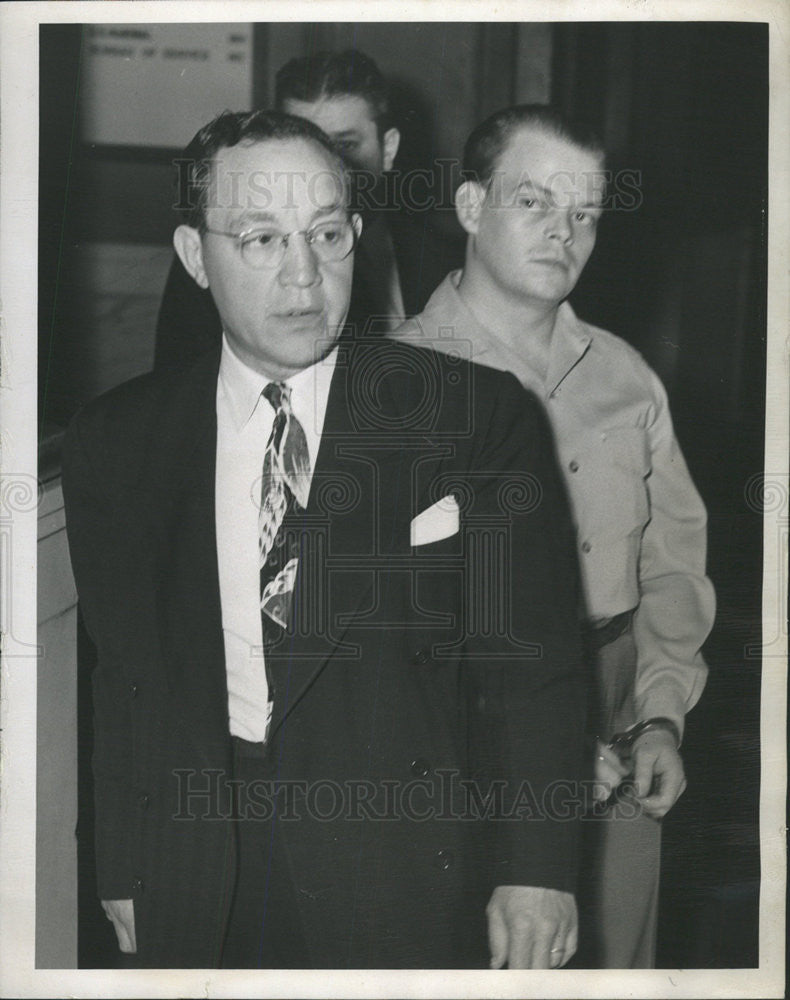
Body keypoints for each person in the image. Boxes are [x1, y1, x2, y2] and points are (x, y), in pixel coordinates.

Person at [62, 109, 588, 969]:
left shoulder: (473, 420)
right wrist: (122, 862)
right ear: (196, 257)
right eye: (262, 239)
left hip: (400, 863)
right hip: (198, 859)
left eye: (328, 234)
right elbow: (124, 678)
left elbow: (533, 669)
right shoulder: (118, 442)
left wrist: (536, 869)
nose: (305, 275)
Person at [390, 104, 716, 968]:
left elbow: (673, 562)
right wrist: (542, 745)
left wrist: (661, 716)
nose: (563, 232)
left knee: (619, 964)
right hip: (471, 740)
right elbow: (397, 625)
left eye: (585, 213)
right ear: (469, 207)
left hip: (622, 723)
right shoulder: (402, 383)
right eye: (534, 202)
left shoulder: (624, 374)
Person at [154, 49, 463, 371]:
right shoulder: (218, 258)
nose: (326, 164)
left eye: (344, 145)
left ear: (389, 149)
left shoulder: (445, 260)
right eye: (304, 142)